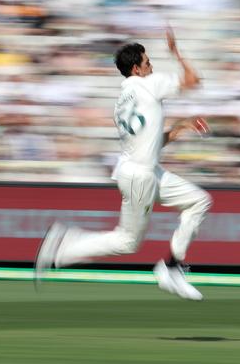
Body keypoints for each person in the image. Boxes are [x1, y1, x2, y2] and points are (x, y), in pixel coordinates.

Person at [36, 28, 212, 300]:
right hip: (141, 177)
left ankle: (174, 266)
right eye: (148, 62)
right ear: (136, 69)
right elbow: (194, 80)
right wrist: (175, 51)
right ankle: (63, 247)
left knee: (199, 201)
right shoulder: (147, 84)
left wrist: (180, 127)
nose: (151, 66)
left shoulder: (122, 101)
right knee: (128, 242)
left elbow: (151, 141)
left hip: (143, 170)